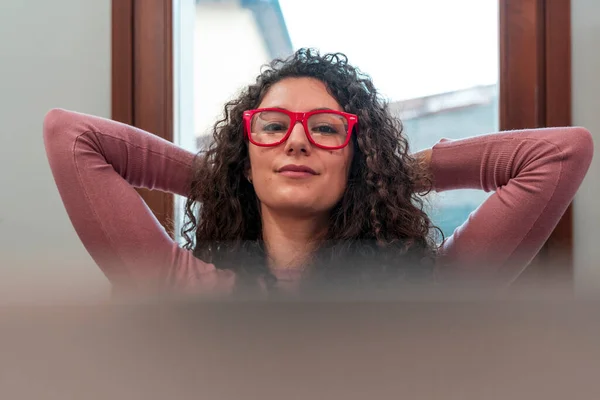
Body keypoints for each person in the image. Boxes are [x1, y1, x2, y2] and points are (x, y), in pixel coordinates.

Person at [43, 49, 593, 297]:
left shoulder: (431, 295)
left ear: (358, 156)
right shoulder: (186, 293)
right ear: (247, 151)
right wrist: (228, 178)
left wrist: (385, 173)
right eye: (273, 126)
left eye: (328, 129)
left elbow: (562, 153)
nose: (300, 139)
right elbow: (71, 136)